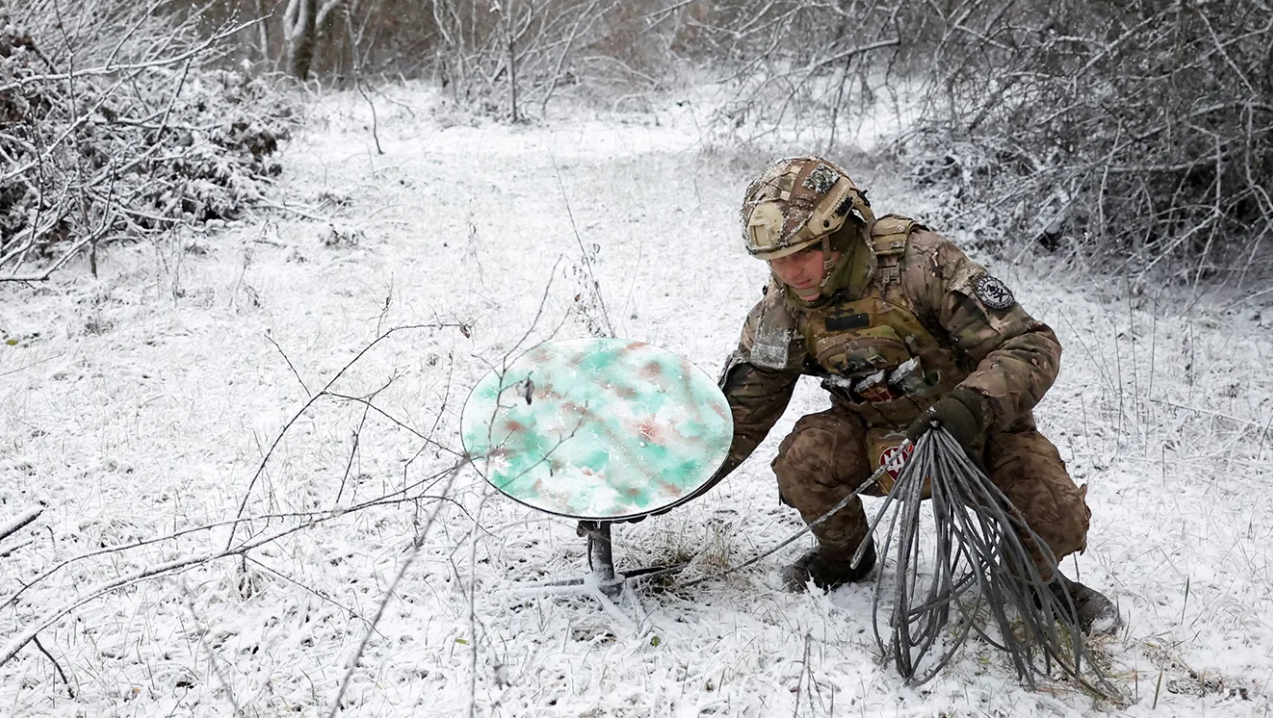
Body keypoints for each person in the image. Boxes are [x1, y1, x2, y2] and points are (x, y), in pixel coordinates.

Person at [714, 155, 1120, 634]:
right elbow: (742, 412)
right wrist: (662, 484)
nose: (790, 273)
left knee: (1055, 512)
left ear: (839, 233)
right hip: (876, 438)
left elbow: (1031, 344)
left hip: (974, 431)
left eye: (803, 253)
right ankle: (845, 557)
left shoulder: (920, 265)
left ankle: (1033, 580)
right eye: (776, 262)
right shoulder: (783, 308)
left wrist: (969, 407)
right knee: (804, 459)